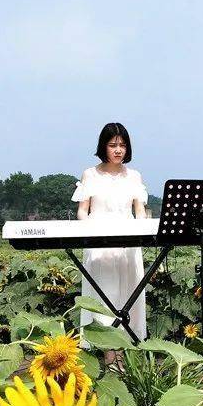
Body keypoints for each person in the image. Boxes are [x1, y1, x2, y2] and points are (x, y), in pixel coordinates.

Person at [72, 122, 148, 344]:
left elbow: (140, 212)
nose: (118, 150)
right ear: (103, 146)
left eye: (122, 145)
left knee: (129, 296)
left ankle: (128, 350)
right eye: (113, 145)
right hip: (99, 242)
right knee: (103, 296)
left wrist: (143, 232)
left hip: (129, 242)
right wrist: (93, 233)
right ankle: (109, 354)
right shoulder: (90, 174)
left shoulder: (134, 176)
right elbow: (82, 212)